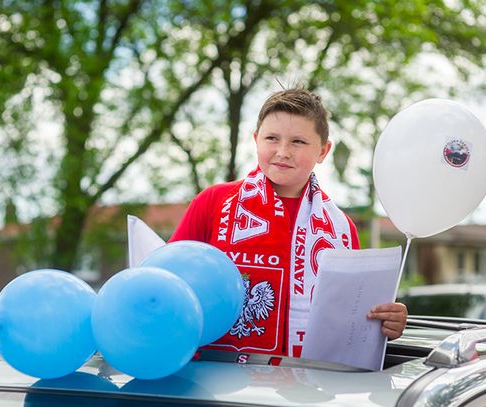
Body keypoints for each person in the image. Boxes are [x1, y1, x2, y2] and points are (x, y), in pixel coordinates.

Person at [169, 87, 407, 357]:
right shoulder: (214, 202)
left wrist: (387, 319)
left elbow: (351, 313)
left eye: (298, 142)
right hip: (217, 378)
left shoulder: (341, 228)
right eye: (272, 138)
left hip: (304, 386)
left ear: (323, 151)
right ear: (256, 139)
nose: (283, 151)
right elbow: (169, 283)